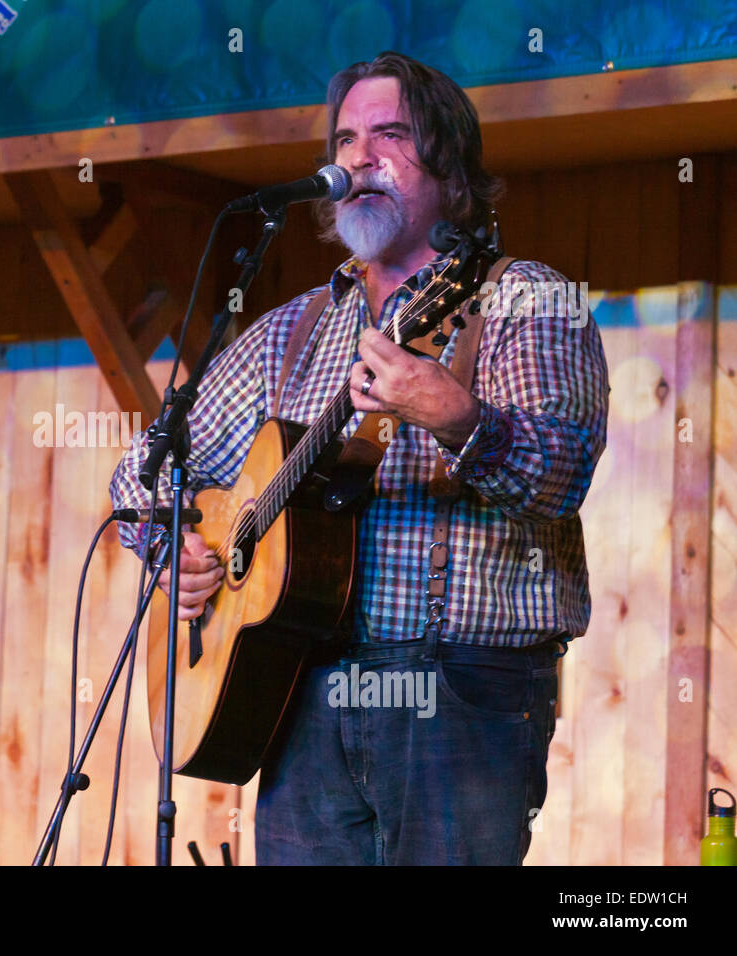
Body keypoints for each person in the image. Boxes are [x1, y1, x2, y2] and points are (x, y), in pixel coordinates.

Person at [108, 51, 609, 865]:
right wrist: (180, 550)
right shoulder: (292, 331)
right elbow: (143, 473)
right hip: (300, 686)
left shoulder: (524, 298)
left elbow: (559, 476)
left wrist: (457, 415)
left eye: (390, 135)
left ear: (449, 169)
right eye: (344, 138)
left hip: (461, 695)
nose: (358, 156)